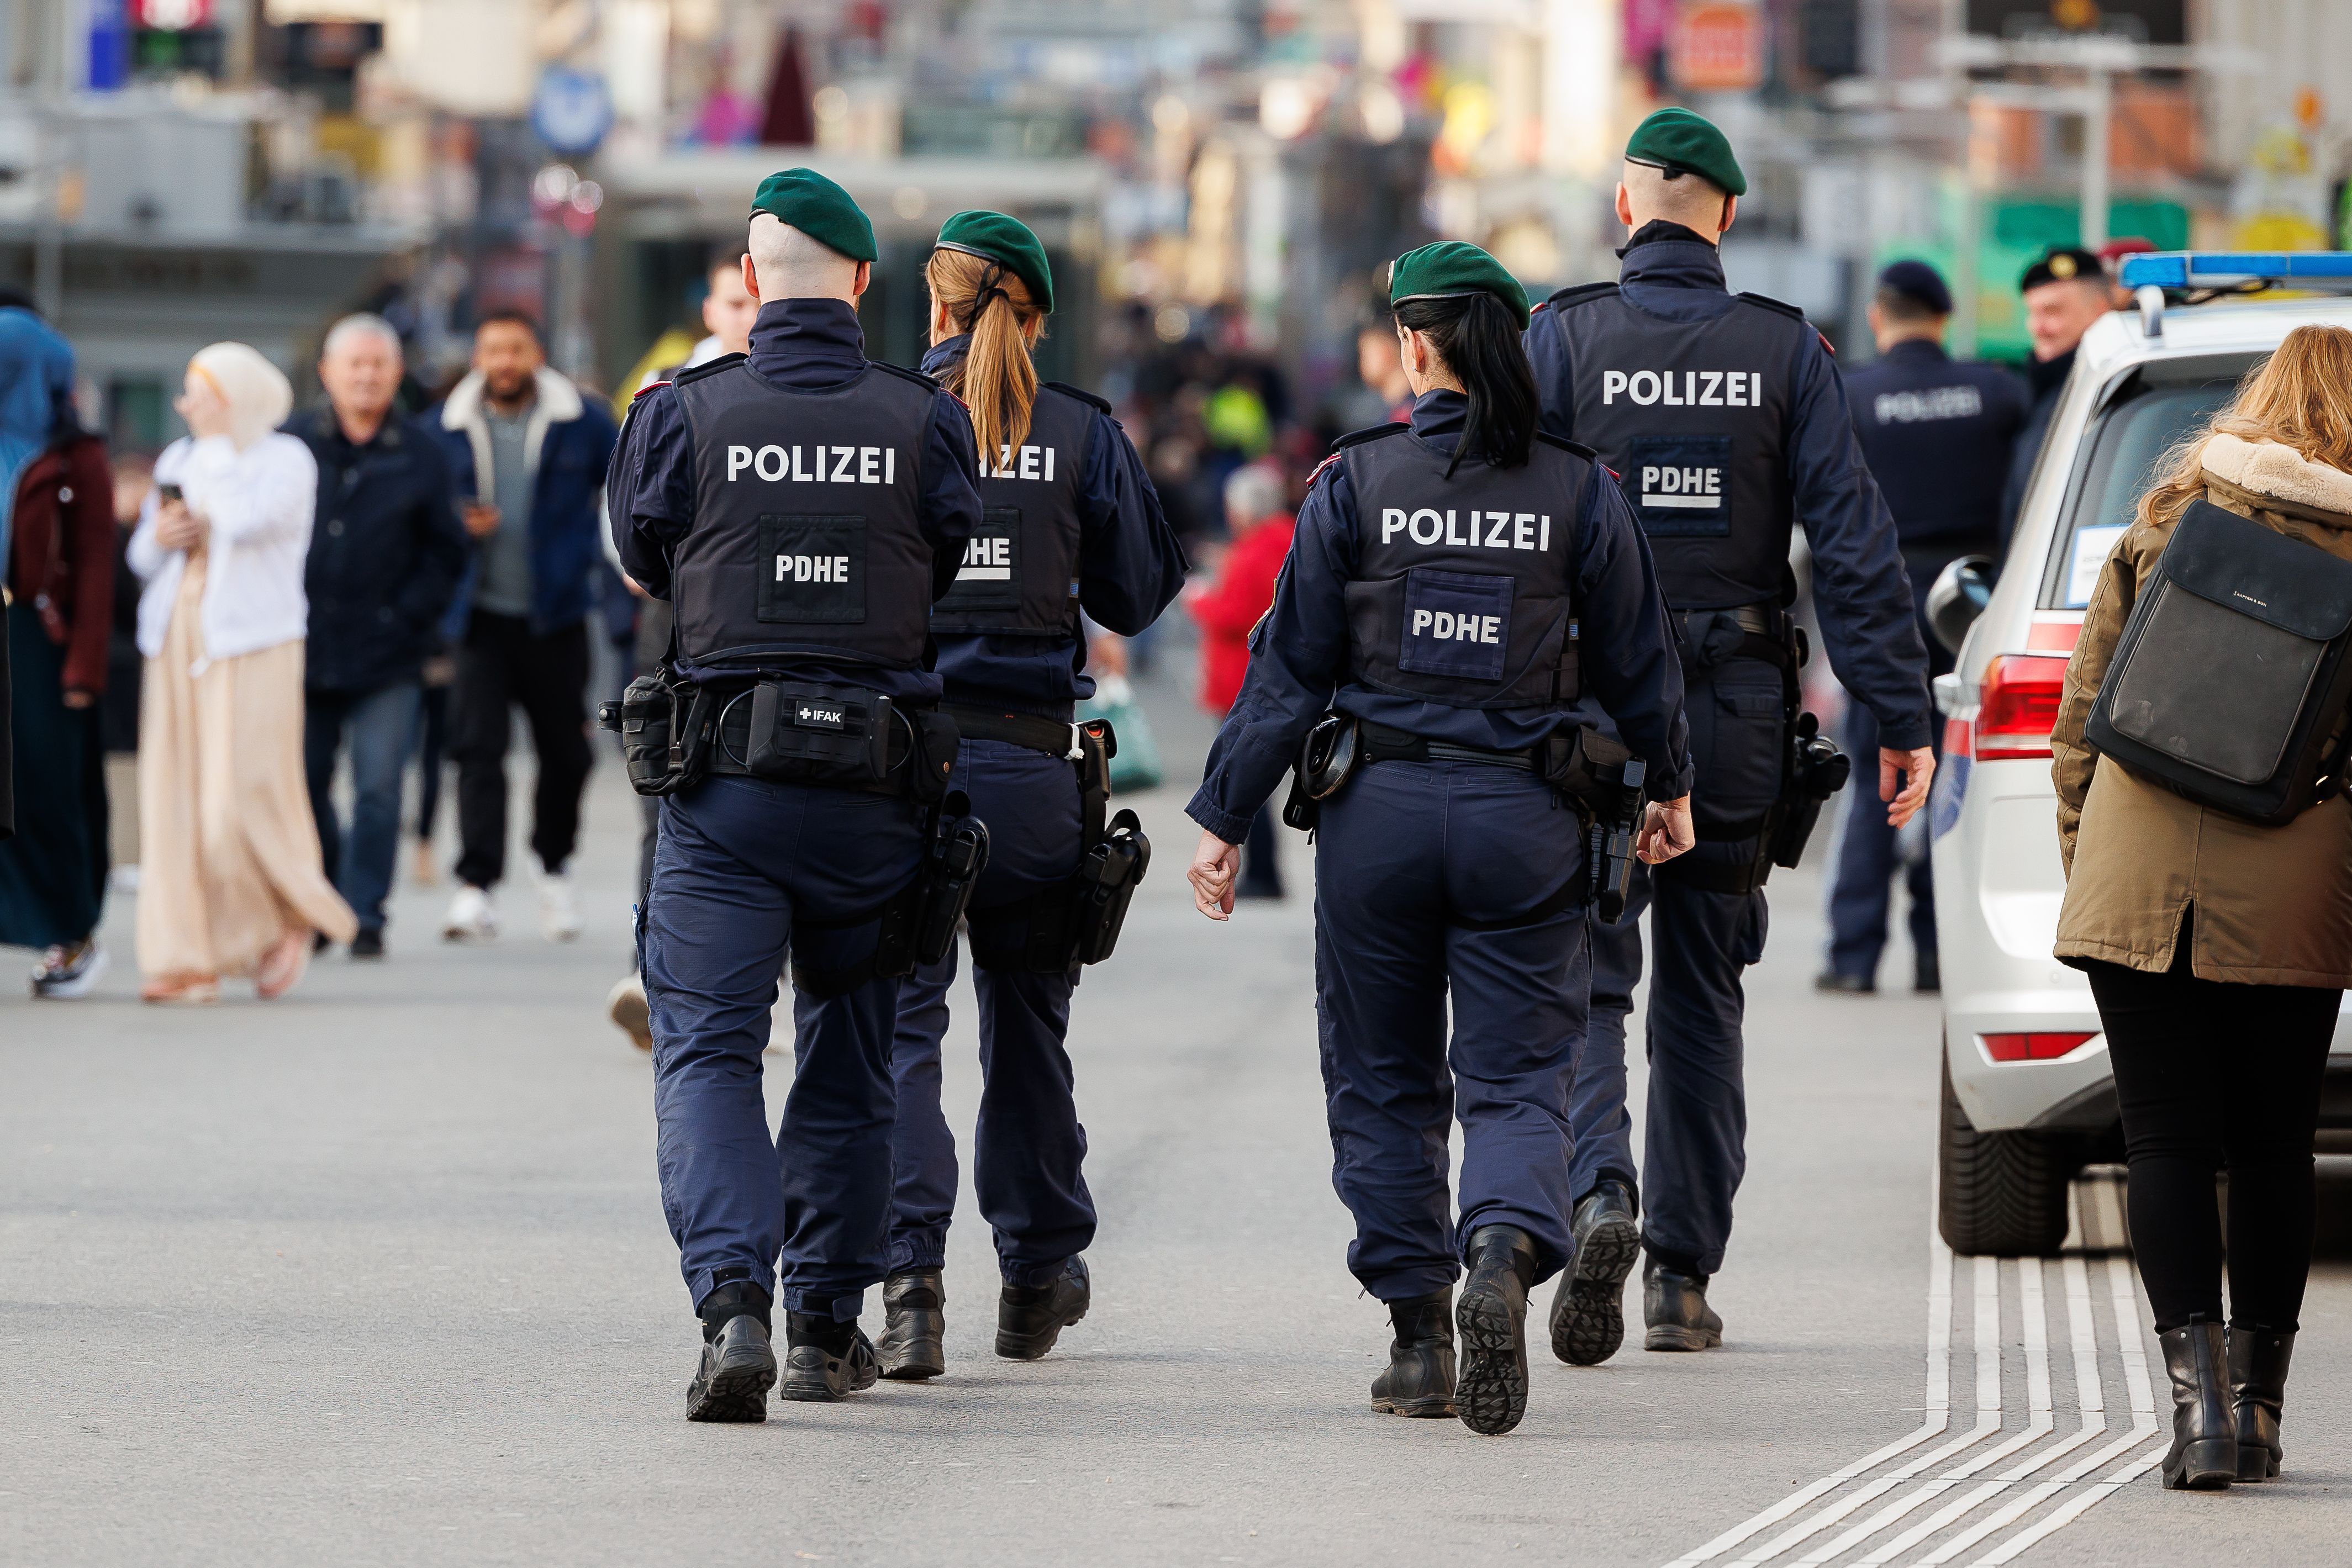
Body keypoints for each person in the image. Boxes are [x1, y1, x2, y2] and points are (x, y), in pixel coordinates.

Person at [1186, 242, 1695, 1436]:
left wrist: (1220, 814)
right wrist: (1669, 788)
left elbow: (1285, 671)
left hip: (1378, 821)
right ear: (1506, 344)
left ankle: (1417, 1337)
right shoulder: (1580, 490)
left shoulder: (1352, 483)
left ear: (1413, 347)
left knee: (1381, 1078)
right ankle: (1503, 1257)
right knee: (1520, 1075)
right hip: (1530, 821)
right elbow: (1639, 661)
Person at [1523, 107, 1934, 1363]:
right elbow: (1855, 549)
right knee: (1704, 986)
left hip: (1589, 706)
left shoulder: (1561, 339)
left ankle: (1598, 1185)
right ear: (1729, 218)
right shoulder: (1783, 352)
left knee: (1589, 971)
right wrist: (1898, 709)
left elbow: (1506, 521)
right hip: (1737, 701)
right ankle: (1680, 1276)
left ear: (1624, 211)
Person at [608, 168, 981, 1419]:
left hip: (725, 791)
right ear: (865, 283)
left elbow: (646, 556)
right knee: (854, 1047)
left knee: (708, 1048)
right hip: (875, 787)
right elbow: (944, 550)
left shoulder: (683, 408)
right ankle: (826, 1320)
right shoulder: (921, 417)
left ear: (752, 278)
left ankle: (732, 1306)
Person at [873, 211, 1188, 1380]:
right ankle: (1035, 1270)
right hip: (1033, 773)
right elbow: (1141, 590)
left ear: (936, 308)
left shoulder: (886, 422)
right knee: (1027, 1032)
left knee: (903, 1028)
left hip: (903, 775)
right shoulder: (1079, 432)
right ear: (1037, 316)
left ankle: (909, 1289)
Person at [2052, 326, 2352, 1492]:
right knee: (2274, 1144)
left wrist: (2089, 858)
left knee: (2165, 1140)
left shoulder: (2169, 513)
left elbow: (2082, 709)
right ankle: (2263, 1410)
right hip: (2290, 877)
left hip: (2134, 866)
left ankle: (2198, 1417)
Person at [1818, 261, 2027, 995]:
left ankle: (1852, 955)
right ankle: (1940, 953)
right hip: (1974, 599)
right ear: (1943, 319)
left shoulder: (1853, 397)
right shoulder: (1997, 390)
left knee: (1879, 773)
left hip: (1882, 601)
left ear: (1878, 317)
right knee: (1958, 773)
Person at [128, 344, 357, 1004]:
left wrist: (220, 452)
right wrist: (166, 533)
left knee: (236, 801)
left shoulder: (284, 459)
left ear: (232, 399)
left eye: (201, 394)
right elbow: (144, 553)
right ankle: (186, 957)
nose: (187, 408)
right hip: (177, 638)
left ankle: (288, 915)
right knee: (173, 802)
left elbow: (249, 523)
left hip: (256, 641)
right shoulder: (181, 457)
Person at [607, 251, 763, 1050]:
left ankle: (754, 979)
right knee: (662, 798)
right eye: (732, 303)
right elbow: (622, 501)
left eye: (754, 303)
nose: (744, 317)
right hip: (673, 624)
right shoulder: (664, 387)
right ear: (710, 308)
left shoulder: (793, 391)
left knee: (757, 794)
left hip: (764, 631)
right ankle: (649, 967)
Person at [433, 310, 620, 943]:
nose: (504, 361)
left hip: (557, 613)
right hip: (479, 614)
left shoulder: (584, 421)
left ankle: (553, 865)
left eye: (515, 349)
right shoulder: (445, 426)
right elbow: (424, 514)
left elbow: (627, 492)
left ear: (536, 352)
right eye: (492, 349)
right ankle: (476, 885)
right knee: (477, 750)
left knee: (566, 752)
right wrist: (458, 522)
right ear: (478, 356)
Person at [294, 314, 468, 958]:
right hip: (303, 648)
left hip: (389, 654)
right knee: (304, 783)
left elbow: (446, 551)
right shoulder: (294, 444)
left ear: (396, 374)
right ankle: (318, 903)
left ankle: (366, 911)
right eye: (354, 365)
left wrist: (408, 616)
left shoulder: (421, 453)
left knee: (378, 789)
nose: (366, 376)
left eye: (378, 365)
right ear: (327, 373)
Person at [0, 307, 116, 997]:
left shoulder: (76, 458)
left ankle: (73, 934)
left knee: (47, 790)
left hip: (40, 647)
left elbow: (97, 569)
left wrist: (84, 669)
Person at [1185, 461, 1293, 899]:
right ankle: (1264, 871)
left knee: (1247, 782)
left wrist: (1198, 600)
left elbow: (1237, 614)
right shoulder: (1285, 537)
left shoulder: (1257, 549)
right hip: (1264, 676)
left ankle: (1263, 873)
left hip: (1240, 679)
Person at [1998, 247, 2112, 547]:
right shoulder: (2044, 389)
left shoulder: (2112, 390)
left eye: (2053, 312)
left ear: (2100, 311)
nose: (2036, 328)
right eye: (2032, 313)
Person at [1357, 315, 1415, 424]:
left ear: (1386, 352)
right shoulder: (1390, 413)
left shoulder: (1414, 413)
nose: (1362, 364)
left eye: (1366, 355)